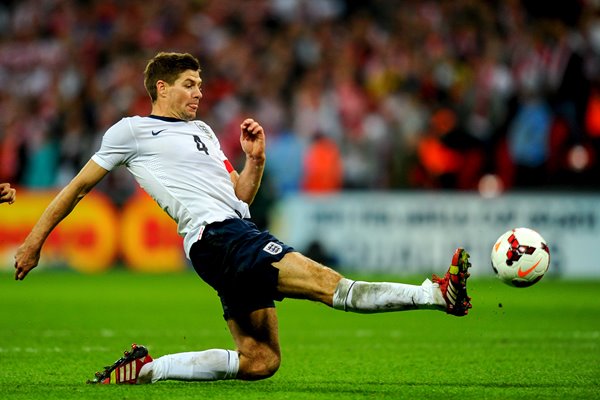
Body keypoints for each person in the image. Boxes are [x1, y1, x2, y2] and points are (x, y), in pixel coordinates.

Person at [13, 52, 472, 385]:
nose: (199, 91)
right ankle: (436, 294)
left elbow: (240, 195)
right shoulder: (132, 130)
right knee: (331, 285)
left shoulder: (205, 132)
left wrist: (256, 159)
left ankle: (148, 370)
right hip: (218, 239)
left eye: (200, 83)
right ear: (162, 88)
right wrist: (34, 241)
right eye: (190, 83)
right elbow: (77, 188)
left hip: (234, 233)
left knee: (260, 361)